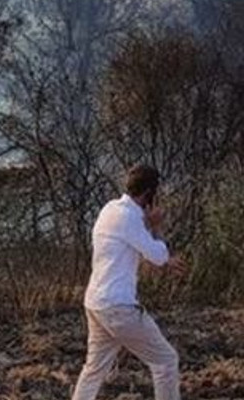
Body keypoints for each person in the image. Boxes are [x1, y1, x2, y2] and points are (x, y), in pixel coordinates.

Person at [72, 165, 187, 400]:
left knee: (94, 370)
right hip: (118, 307)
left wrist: (150, 230)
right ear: (148, 194)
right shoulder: (129, 217)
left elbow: (133, 237)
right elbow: (157, 256)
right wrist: (156, 227)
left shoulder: (110, 209)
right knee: (165, 361)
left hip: (96, 303)